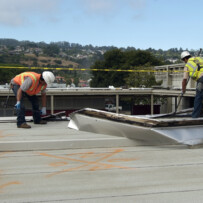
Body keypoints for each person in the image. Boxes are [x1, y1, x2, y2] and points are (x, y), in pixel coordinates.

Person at [181, 51, 203, 118]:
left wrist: (183, 90)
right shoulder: (199, 58)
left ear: (185, 59)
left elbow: (184, 80)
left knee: (198, 97)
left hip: (202, 80)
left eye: (183, 60)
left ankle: (195, 116)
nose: (184, 62)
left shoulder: (187, 65)